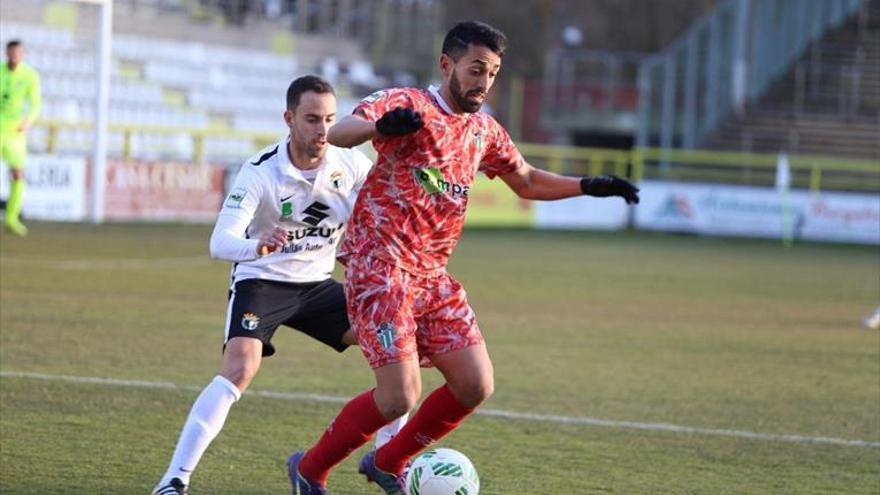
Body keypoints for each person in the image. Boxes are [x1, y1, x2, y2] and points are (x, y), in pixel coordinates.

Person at [287, 21, 639, 495]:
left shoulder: (484, 131)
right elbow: (343, 132)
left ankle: (387, 463)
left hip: (432, 277)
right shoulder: (407, 104)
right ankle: (309, 469)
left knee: (475, 384)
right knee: (398, 396)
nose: (484, 81)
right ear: (447, 64)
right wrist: (378, 127)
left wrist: (588, 186)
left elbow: (526, 180)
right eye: (476, 69)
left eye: (492, 72)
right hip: (380, 266)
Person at [151, 75, 406, 495]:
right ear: (289, 119)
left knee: (397, 348)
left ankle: (387, 458)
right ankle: (173, 481)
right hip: (263, 282)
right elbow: (220, 243)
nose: (322, 130)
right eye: (311, 119)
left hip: (318, 285)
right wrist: (257, 246)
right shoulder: (260, 172)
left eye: (329, 119)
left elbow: (387, 200)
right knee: (240, 368)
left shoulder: (351, 163)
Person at [0, 39, 41, 237]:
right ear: (6, 53)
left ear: (23, 55)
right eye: (12, 53)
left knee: (18, 173)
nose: (15, 56)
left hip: (15, 131)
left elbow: (35, 103)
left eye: (18, 53)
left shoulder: (30, 75)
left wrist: (29, 120)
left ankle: (11, 218)